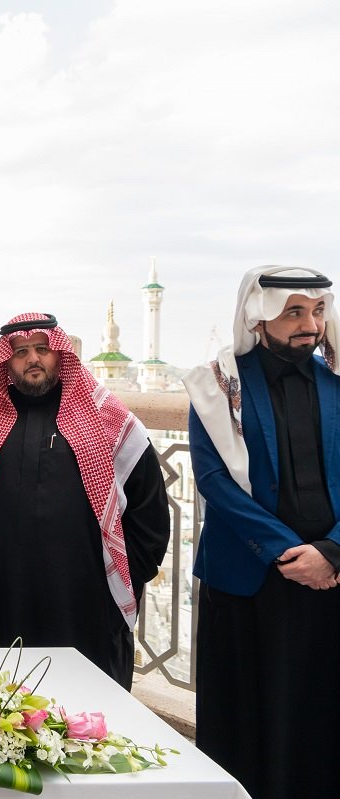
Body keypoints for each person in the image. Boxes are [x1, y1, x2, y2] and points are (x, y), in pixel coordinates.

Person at [186, 266, 340, 799]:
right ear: (259, 317)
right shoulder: (217, 387)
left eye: (316, 311)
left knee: (321, 721)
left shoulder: (337, 382)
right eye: (293, 312)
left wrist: (331, 551)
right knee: (242, 725)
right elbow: (213, 480)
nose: (309, 325)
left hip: (330, 580)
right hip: (248, 581)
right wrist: (284, 552)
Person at [0, 312, 168, 688]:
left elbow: (148, 505)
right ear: (6, 360)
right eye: (21, 351)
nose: (32, 359)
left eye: (42, 349)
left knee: (86, 709)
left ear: (60, 353)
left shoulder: (106, 416)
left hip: (83, 598)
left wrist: (127, 575)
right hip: (2, 593)